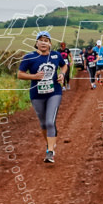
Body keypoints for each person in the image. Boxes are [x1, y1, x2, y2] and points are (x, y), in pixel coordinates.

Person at [17, 31, 67, 163]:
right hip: (37, 95)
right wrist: (34, 77)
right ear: (36, 43)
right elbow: (20, 74)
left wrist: (62, 74)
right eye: (41, 40)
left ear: (50, 43)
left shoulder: (56, 55)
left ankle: (50, 152)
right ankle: (49, 144)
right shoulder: (29, 57)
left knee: (50, 122)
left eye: (46, 40)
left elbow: (64, 65)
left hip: (54, 93)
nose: (43, 43)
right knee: (43, 123)